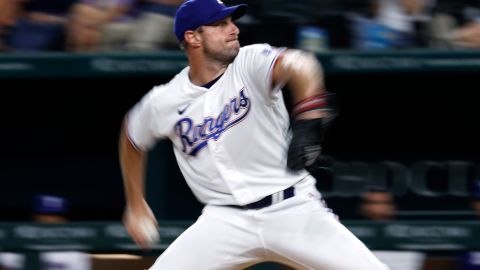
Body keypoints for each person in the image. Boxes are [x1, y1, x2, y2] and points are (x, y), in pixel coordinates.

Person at [119, 0, 390, 269]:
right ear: (193, 37)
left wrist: (309, 116)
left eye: (232, 21)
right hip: (223, 222)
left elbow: (300, 64)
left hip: (292, 210)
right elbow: (132, 138)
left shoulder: (249, 61)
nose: (234, 29)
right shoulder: (165, 100)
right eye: (220, 24)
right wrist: (135, 202)